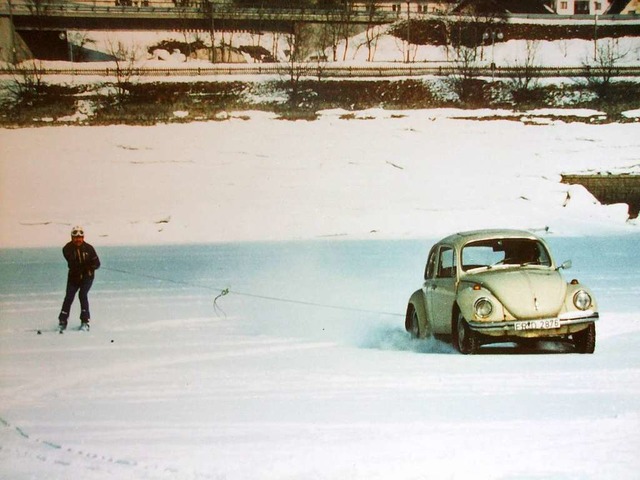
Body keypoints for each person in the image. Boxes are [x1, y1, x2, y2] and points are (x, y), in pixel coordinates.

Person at [58, 226, 101, 331]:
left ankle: (85, 321)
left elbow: (97, 263)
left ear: (83, 237)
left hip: (87, 277)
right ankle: (62, 321)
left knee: (82, 295)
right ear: (72, 238)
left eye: (80, 237)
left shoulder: (89, 248)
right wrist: (83, 266)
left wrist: (90, 267)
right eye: (76, 237)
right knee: (69, 297)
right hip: (74, 276)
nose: (78, 240)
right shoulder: (67, 249)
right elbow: (73, 263)